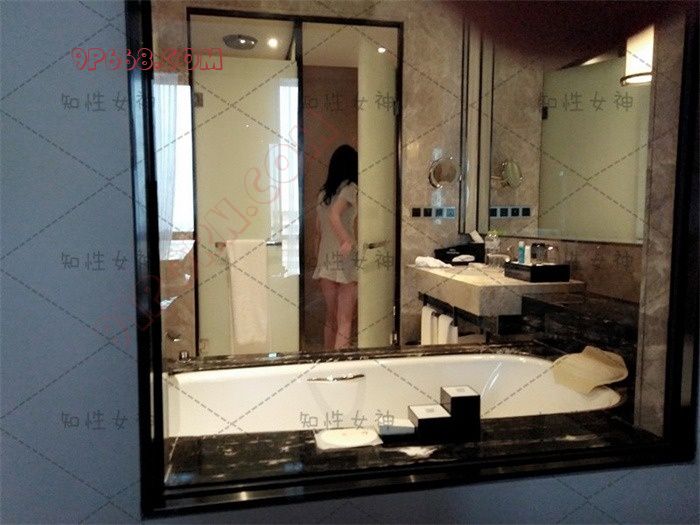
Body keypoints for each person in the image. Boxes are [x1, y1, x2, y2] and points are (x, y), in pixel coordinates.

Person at [312, 145, 359, 350]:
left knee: (330, 318)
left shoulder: (323, 194)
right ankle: (339, 363)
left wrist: (318, 261)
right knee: (344, 321)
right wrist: (346, 240)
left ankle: (327, 360)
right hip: (345, 260)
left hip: (325, 261)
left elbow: (317, 233)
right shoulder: (351, 189)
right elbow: (334, 215)